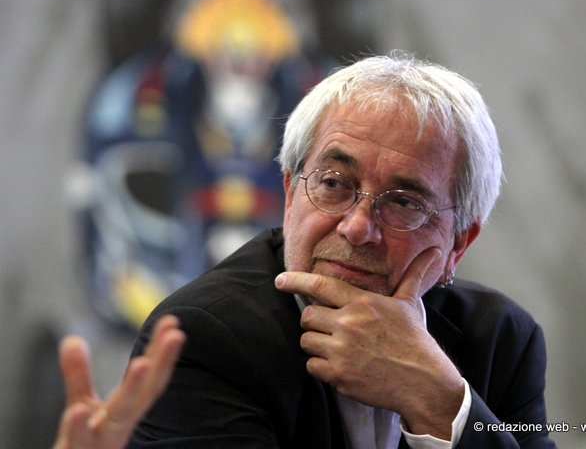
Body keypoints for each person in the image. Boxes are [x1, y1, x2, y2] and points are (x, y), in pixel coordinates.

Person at [54, 53, 556, 448]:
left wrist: (441, 403)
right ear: (291, 193)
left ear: (459, 242)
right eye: (334, 183)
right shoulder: (206, 338)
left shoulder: (501, 339)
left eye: (403, 203)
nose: (357, 228)